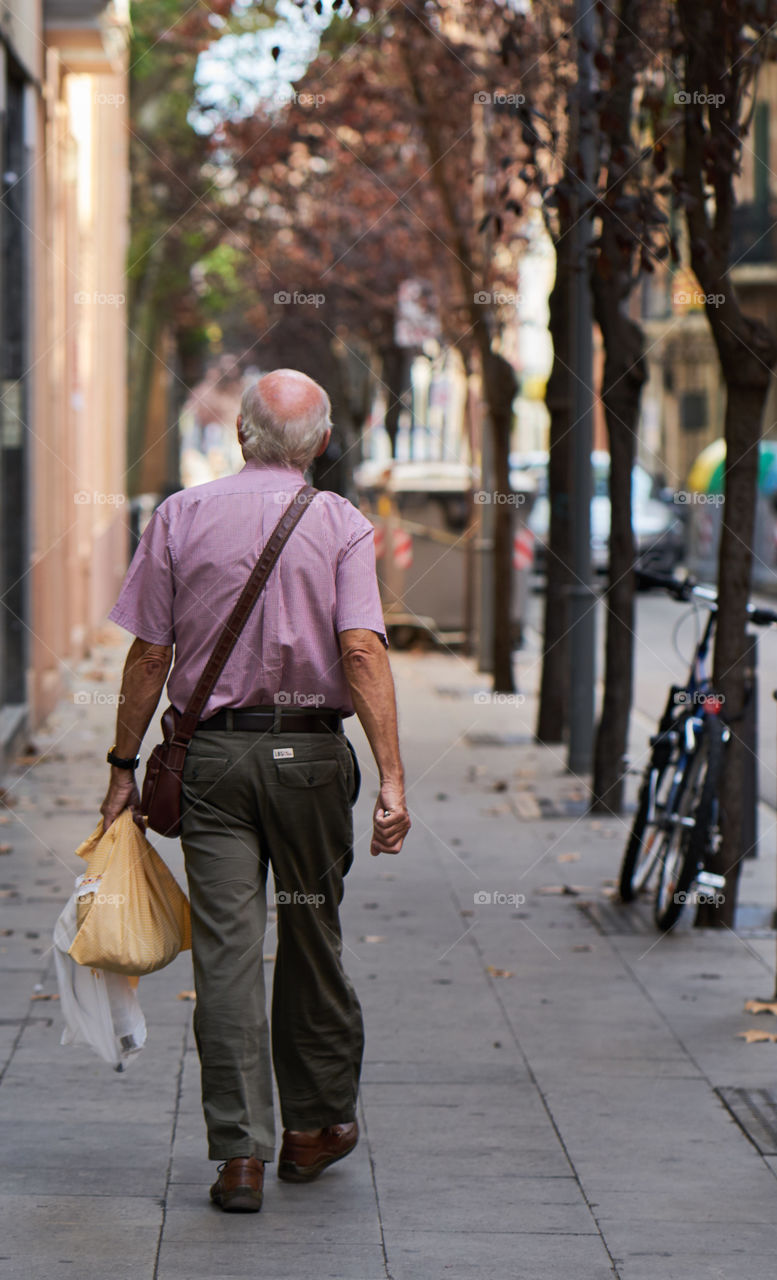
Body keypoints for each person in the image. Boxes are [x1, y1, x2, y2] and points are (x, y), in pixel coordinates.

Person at [100, 368, 410, 1213]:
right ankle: (313, 1128)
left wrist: (123, 768)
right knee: (312, 938)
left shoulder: (180, 516)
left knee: (227, 958)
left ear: (241, 435)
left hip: (211, 763)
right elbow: (362, 654)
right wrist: (391, 778)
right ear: (319, 444)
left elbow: (149, 658)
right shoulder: (342, 524)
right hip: (310, 761)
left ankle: (238, 1154)